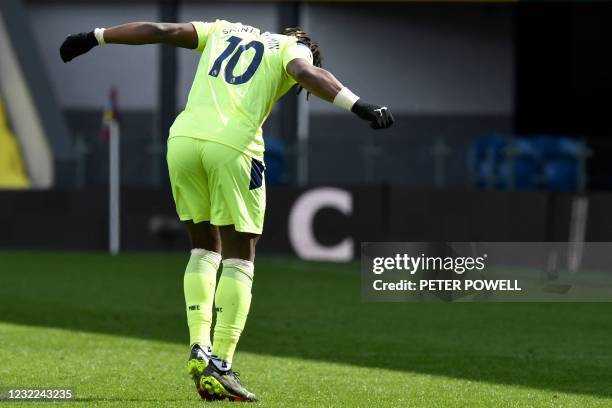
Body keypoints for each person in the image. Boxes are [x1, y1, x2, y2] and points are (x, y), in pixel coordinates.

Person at [60, 19, 394, 402]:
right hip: (233, 146)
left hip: (183, 139)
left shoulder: (222, 29)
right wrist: (359, 105)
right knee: (241, 256)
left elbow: (159, 30)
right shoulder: (292, 48)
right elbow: (307, 72)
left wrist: (94, 37)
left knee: (202, 247)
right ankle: (220, 363)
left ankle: (199, 345)